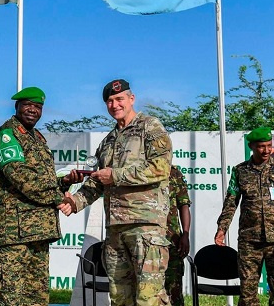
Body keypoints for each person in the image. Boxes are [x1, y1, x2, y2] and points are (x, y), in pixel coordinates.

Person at [60, 79, 172, 306]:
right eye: (109, 101)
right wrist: (75, 202)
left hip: (145, 226)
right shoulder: (107, 142)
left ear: (132, 99)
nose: (114, 105)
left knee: (148, 297)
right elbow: (98, 182)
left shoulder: (150, 127)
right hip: (114, 230)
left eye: (119, 99)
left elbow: (160, 168)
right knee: (120, 297)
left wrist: (116, 175)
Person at [0, 87, 83, 306]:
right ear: (17, 107)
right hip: (11, 234)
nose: (33, 110)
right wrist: (57, 198)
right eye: (28, 105)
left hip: (37, 232)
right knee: (9, 298)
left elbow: (42, 181)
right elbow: (21, 177)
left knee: (36, 299)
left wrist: (64, 182)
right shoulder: (8, 136)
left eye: (38, 107)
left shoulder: (37, 138)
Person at [214, 126, 274, 306]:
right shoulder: (240, 171)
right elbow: (231, 202)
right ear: (251, 147)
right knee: (248, 292)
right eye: (260, 146)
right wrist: (222, 228)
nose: (265, 150)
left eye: (268, 145)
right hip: (250, 240)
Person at [165, 167, 192, 306]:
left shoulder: (174, 173)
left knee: (174, 290)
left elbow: (184, 205)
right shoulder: (137, 171)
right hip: (145, 240)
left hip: (171, 240)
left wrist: (185, 234)